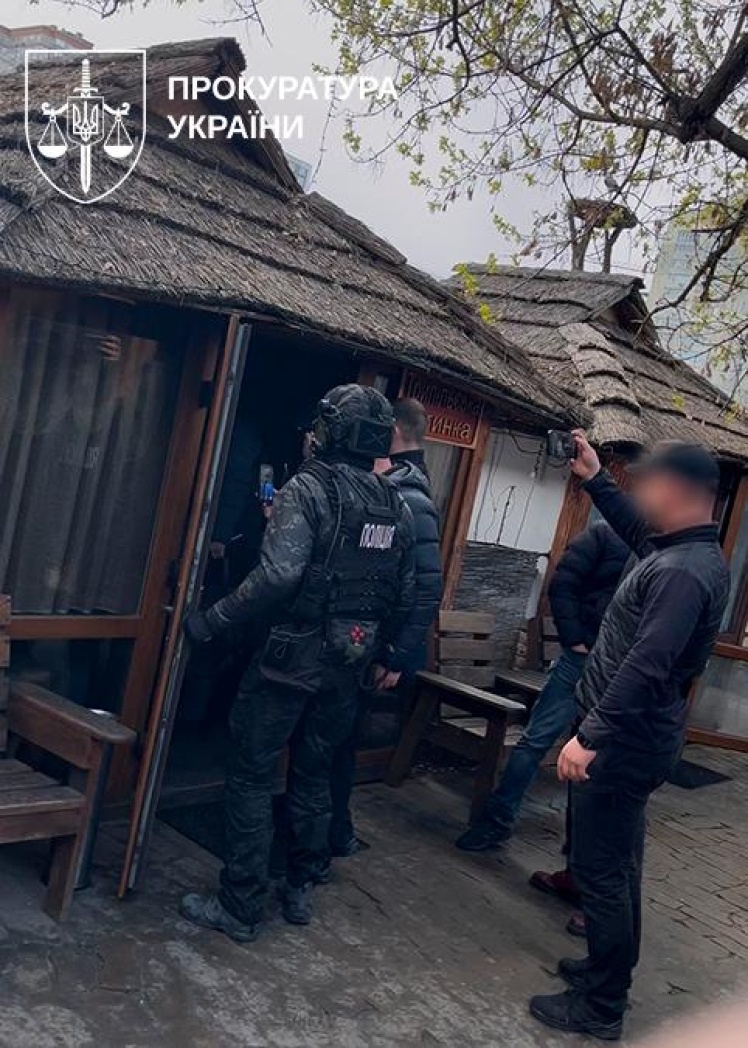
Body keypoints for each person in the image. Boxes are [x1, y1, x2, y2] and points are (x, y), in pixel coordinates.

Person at [179, 384, 416, 943]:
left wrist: (212, 619)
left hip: (289, 660)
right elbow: (404, 594)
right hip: (348, 664)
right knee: (313, 774)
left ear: (332, 430)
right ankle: (301, 886)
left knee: (252, 775)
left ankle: (240, 904)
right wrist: (377, 650)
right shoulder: (396, 505)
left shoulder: (307, 489)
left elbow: (278, 576)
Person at [530, 433, 729, 1042]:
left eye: (650, 483)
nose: (640, 493)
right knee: (619, 866)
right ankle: (603, 972)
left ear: (679, 491)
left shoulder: (683, 573)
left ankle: (602, 1005)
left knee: (603, 874)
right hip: (633, 738)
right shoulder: (680, 551)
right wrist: (594, 478)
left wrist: (591, 735)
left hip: (622, 744)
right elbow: (632, 525)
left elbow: (648, 663)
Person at [454, 521, 629, 853]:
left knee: (604, 759)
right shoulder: (606, 534)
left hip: (624, 668)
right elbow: (563, 584)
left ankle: (581, 849)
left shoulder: (662, 545)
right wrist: (574, 639)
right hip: (582, 660)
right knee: (536, 740)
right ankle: (496, 821)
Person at [328, 397, 443, 858]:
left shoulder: (409, 497)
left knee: (339, 743)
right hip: (360, 641)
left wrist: (395, 656)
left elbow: (427, 588)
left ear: (391, 431)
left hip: (373, 645)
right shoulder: (393, 485)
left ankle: (335, 834)